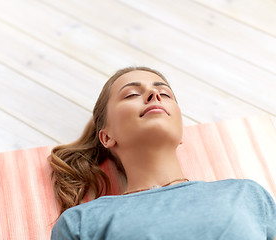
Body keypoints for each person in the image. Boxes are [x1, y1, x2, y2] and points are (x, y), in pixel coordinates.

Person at [49, 66, 276, 239]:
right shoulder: (81, 222)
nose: (153, 94)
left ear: (180, 131)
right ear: (106, 136)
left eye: (165, 94)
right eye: (130, 95)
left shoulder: (248, 194)